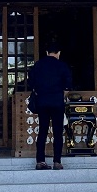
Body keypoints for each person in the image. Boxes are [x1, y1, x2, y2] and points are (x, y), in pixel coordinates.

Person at [27, 41, 73, 170]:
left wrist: (38, 91)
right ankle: (57, 162)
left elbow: (31, 82)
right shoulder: (62, 66)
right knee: (58, 132)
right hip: (57, 101)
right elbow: (68, 85)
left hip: (42, 101)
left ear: (46, 53)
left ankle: (40, 161)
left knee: (43, 131)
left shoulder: (38, 65)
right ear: (58, 53)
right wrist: (60, 96)